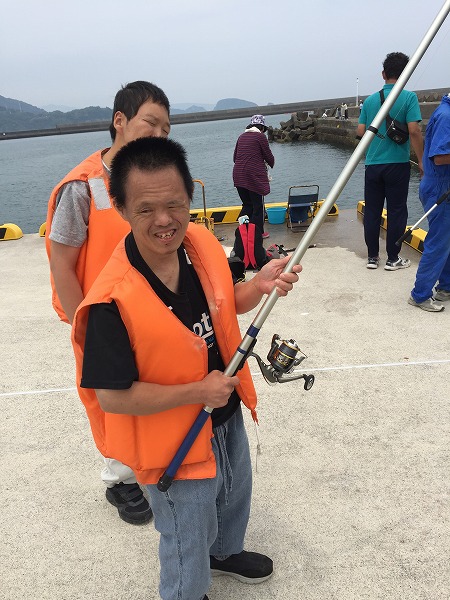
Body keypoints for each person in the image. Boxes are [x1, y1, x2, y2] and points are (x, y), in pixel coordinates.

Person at [71, 136, 302, 600]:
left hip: (223, 411)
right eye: (146, 209)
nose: (164, 221)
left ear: (190, 199)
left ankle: (225, 553)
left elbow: (222, 304)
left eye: (175, 204)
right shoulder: (109, 302)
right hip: (172, 440)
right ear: (121, 209)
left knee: (233, 491)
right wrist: (197, 392)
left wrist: (257, 286)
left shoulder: (197, 245)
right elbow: (113, 396)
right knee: (186, 531)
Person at [45, 81, 171, 525]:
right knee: (107, 397)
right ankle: (120, 479)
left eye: (166, 129)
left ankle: (150, 462)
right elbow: (62, 263)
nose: (158, 135)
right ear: (120, 120)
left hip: (149, 311)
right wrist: (85, 325)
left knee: (150, 390)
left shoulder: (151, 179)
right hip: (101, 314)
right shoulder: (81, 187)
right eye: (150, 123)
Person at [357, 52, 424, 270]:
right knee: (396, 211)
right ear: (405, 74)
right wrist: (421, 161)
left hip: (373, 165)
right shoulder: (409, 97)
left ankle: (372, 257)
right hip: (397, 164)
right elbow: (414, 130)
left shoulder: (369, 101)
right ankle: (393, 258)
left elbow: (360, 132)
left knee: (372, 211)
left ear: (383, 74)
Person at [408, 93, 450, 312]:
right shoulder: (446, 116)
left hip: (439, 185)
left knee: (446, 240)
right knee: (438, 242)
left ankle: (446, 287)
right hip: (440, 188)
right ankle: (420, 295)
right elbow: (440, 157)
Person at [233, 114, 275, 239]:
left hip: (238, 175)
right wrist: (270, 162)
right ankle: (258, 234)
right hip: (253, 176)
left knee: (247, 205)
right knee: (258, 206)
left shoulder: (241, 136)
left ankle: (242, 232)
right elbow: (269, 156)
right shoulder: (260, 136)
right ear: (262, 128)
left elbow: (235, 158)